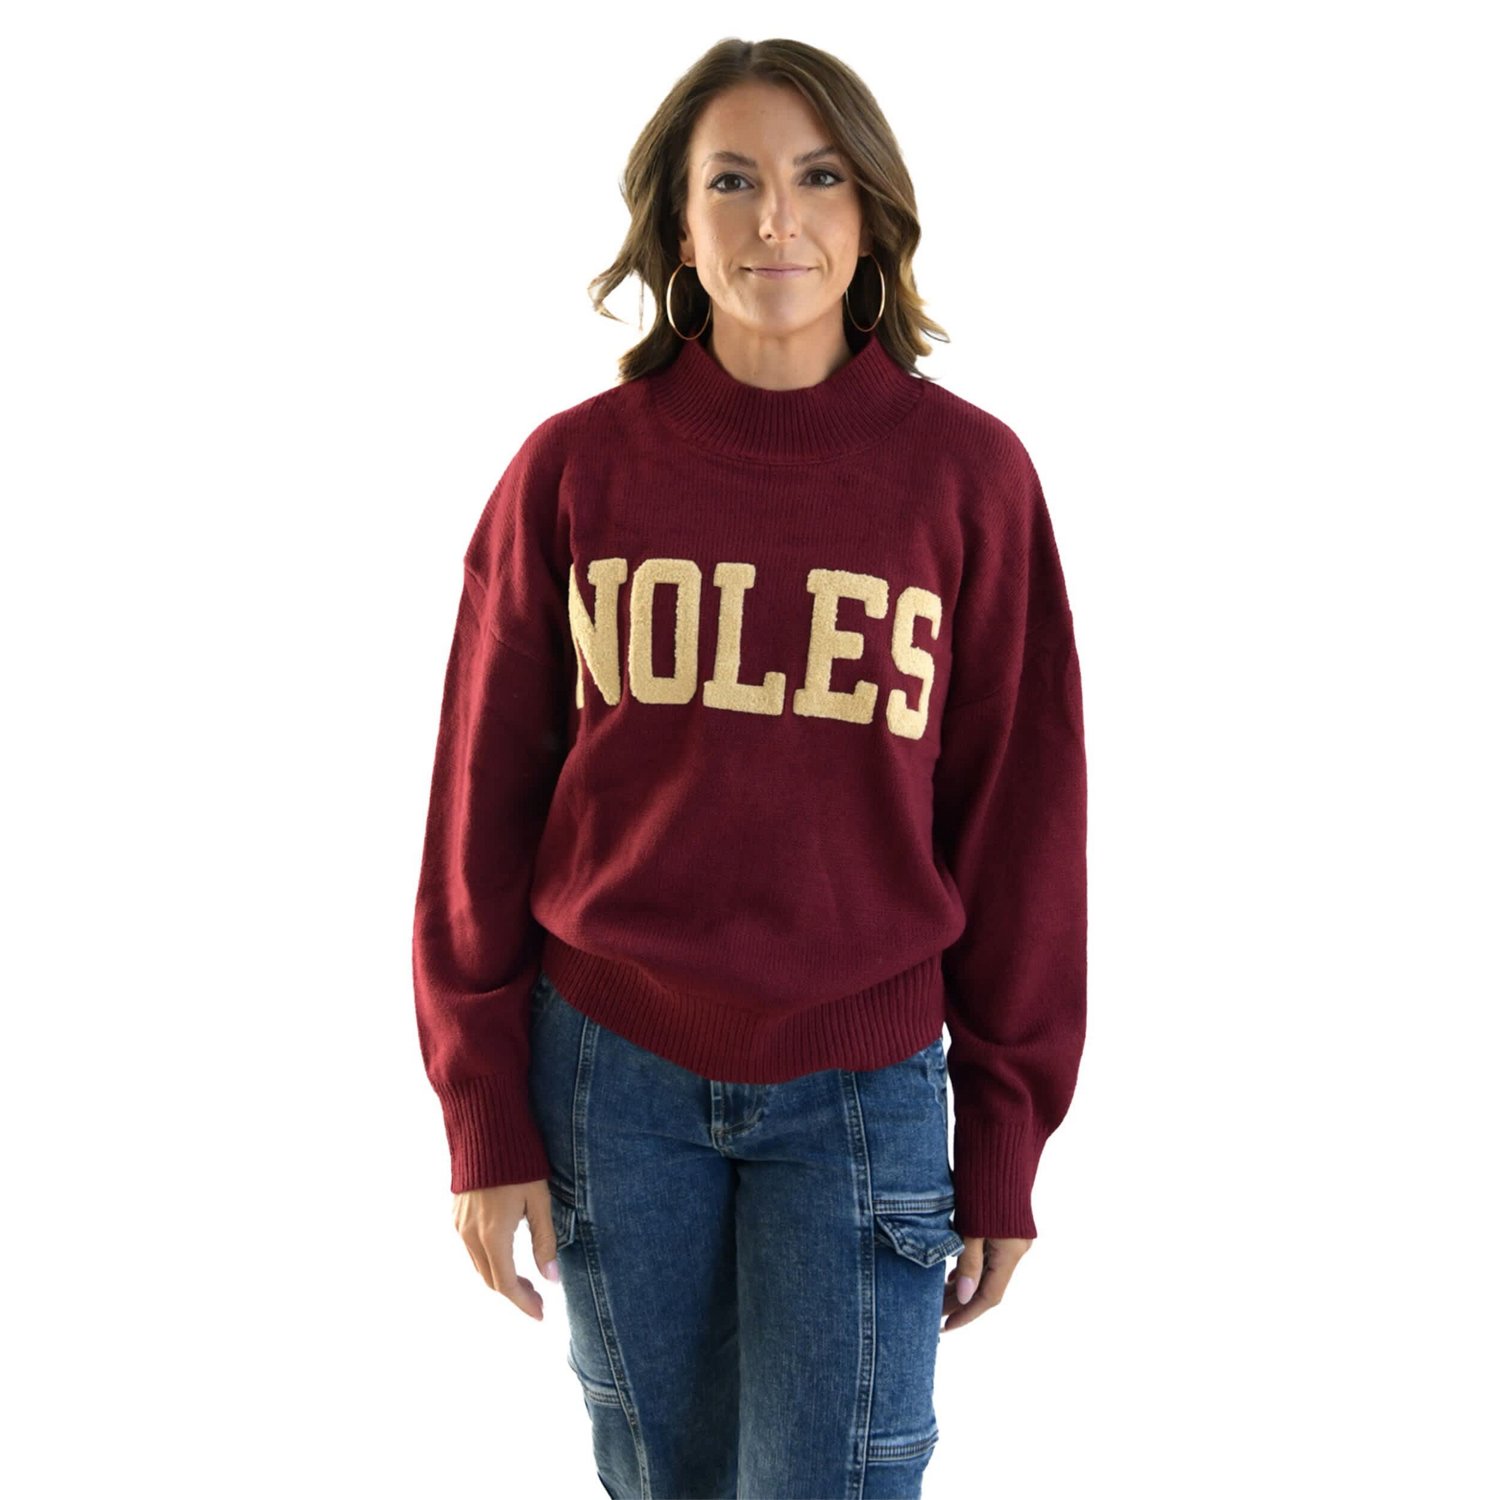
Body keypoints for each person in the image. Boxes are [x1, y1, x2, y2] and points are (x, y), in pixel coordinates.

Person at [411, 36, 1087, 1499]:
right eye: (732, 181)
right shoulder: (572, 472)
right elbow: (478, 807)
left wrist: (1009, 1129)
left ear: (874, 216)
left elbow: (1022, 820)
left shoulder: (970, 480)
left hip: (863, 1082)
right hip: (609, 1075)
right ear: (676, 227)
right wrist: (482, 1110)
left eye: (817, 177)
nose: (776, 217)